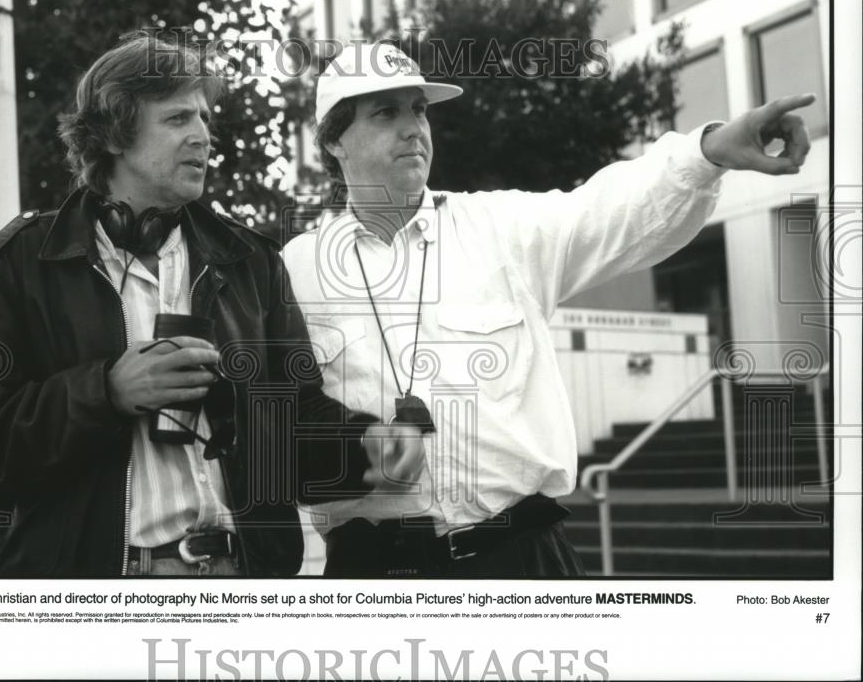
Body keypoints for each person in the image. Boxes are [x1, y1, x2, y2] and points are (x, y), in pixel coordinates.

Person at [281, 41, 813, 578]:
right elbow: (274, 426)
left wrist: (711, 151)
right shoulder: (292, 271)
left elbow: (606, 210)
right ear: (334, 141)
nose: (413, 127)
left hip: (524, 559)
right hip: (374, 575)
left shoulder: (499, 229)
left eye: (419, 108)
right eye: (386, 112)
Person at [0, 33, 423, 578]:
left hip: (244, 590)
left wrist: (364, 445)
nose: (204, 137)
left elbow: (293, 423)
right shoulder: (20, 263)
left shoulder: (250, 262)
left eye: (206, 119)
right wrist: (107, 392)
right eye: (178, 119)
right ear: (115, 132)